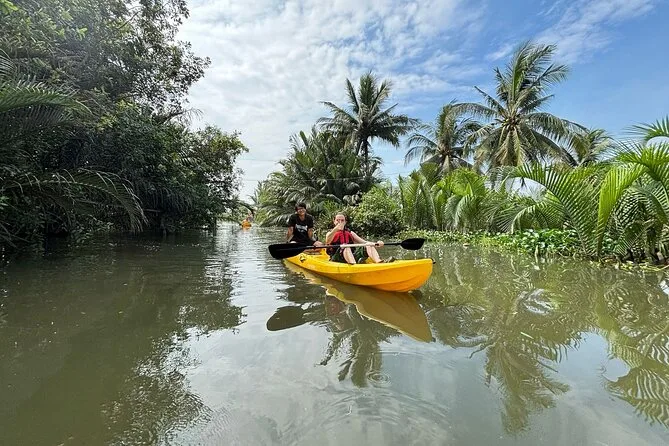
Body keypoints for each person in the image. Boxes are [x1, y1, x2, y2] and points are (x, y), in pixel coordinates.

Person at [324, 212, 393, 264]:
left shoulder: (350, 233)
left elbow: (364, 242)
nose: (340, 222)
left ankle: (379, 262)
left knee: (368, 244)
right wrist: (336, 229)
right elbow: (328, 241)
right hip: (337, 258)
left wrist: (377, 244)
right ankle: (355, 266)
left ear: (345, 222)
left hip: (350, 256)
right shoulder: (330, 233)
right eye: (338, 220)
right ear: (334, 221)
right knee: (346, 246)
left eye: (342, 220)